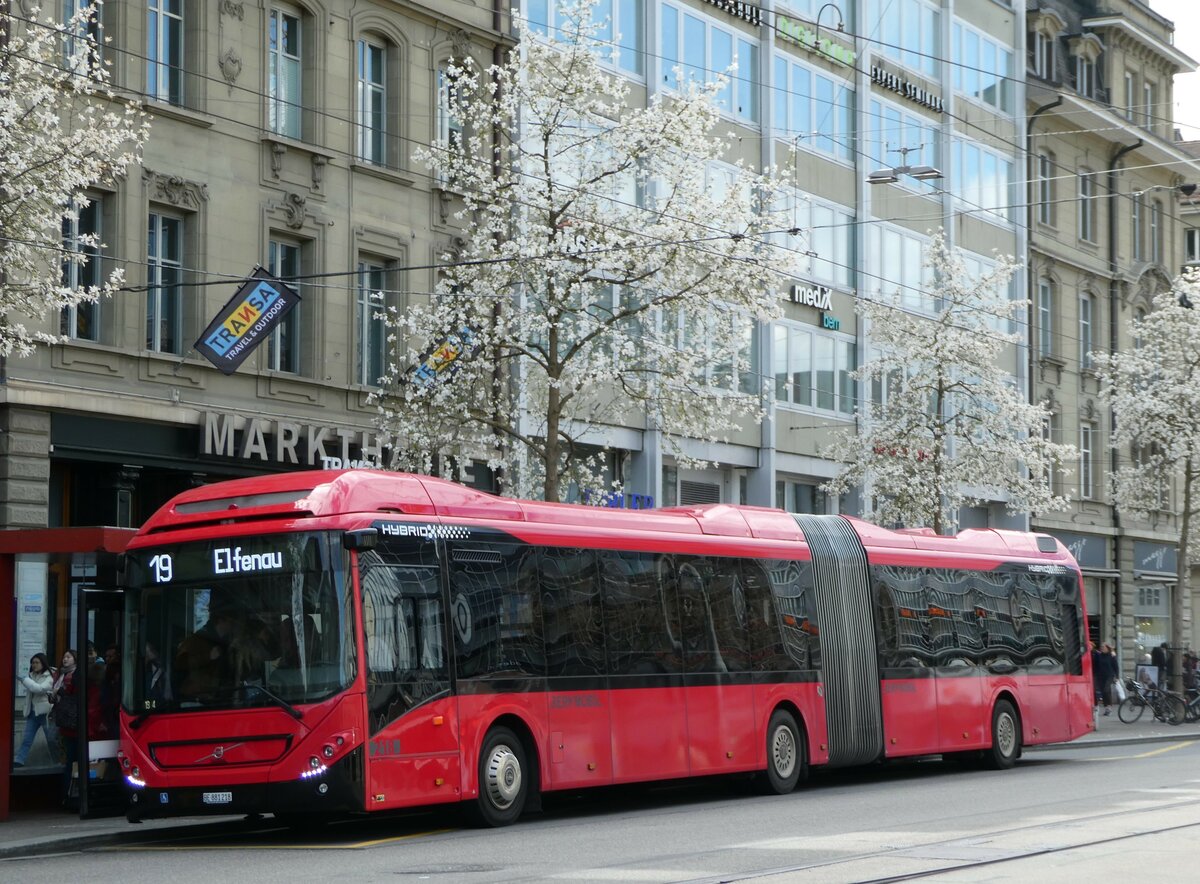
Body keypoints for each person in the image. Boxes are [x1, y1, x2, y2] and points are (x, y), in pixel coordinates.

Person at [175, 605, 236, 701]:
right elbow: (180, 663)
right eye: (230, 621)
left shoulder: (227, 643)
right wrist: (208, 656)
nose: (232, 625)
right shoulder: (198, 638)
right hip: (195, 696)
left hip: (215, 695)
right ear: (220, 620)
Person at [49, 649, 80, 805]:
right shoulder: (60, 675)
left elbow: (72, 697)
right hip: (62, 718)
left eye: (68, 657)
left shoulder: (74, 675)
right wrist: (53, 694)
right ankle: (67, 794)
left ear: (75, 659)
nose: (65, 659)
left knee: (72, 759)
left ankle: (70, 794)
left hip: (72, 722)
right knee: (68, 756)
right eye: (64, 656)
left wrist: (59, 691)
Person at [13, 653, 54, 767]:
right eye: (32, 662)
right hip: (32, 713)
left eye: (37, 662)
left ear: (43, 663)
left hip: (45, 714)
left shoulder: (49, 677)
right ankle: (19, 761)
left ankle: (58, 762)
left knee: (51, 741)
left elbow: (39, 689)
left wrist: (25, 680)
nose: (34, 665)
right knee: (27, 739)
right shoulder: (32, 676)